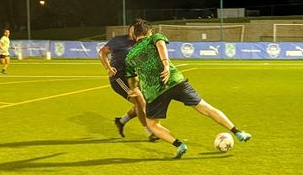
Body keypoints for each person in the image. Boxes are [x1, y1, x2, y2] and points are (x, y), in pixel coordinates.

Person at [124, 19, 251, 158]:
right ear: (149, 31)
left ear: (135, 35)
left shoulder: (129, 56)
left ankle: (179, 145)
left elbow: (132, 78)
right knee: (205, 107)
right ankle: (238, 132)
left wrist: (134, 88)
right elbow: (160, 44)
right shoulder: (154, 37)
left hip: (153, 92)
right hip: (175, 81)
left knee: (152, 125)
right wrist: (166, 65)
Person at [99, 24, 155, 141]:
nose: (134, 33)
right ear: (130, 30)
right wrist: (108, 68)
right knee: (140, 101)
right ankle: (150, 132)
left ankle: (121, 121)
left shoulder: (140, 43)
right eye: (133, 30)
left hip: (133, 78)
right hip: (119, 78)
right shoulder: (119, 40)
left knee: (142, 103)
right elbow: (102, 52)